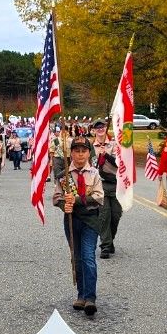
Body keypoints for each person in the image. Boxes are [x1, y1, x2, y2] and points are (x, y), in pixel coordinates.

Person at [52, 135, 104, 316]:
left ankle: (90, 297)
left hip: (90, 220)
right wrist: (63, 205)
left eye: (84, 151)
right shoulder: (64, 176)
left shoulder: (94, 174)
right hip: (72, 221)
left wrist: (76, 200)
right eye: (76, 151)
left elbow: (99, 197)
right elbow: (57, 197)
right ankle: (81, 295)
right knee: (77, 257)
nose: (80, 155)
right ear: (71, 154)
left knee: (88, 256)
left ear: (89, 153)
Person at [90, 119, 122, 259]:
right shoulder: (91, 147)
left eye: (102, 126)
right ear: (94, 130)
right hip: (99, 185)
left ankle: (110, 240)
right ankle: (105, 245)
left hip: (115, 184)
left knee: (115, 215)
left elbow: (120, 163)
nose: (100, 129)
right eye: (97, 128)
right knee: (104, 216)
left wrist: (106, 155)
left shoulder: (115, 144)